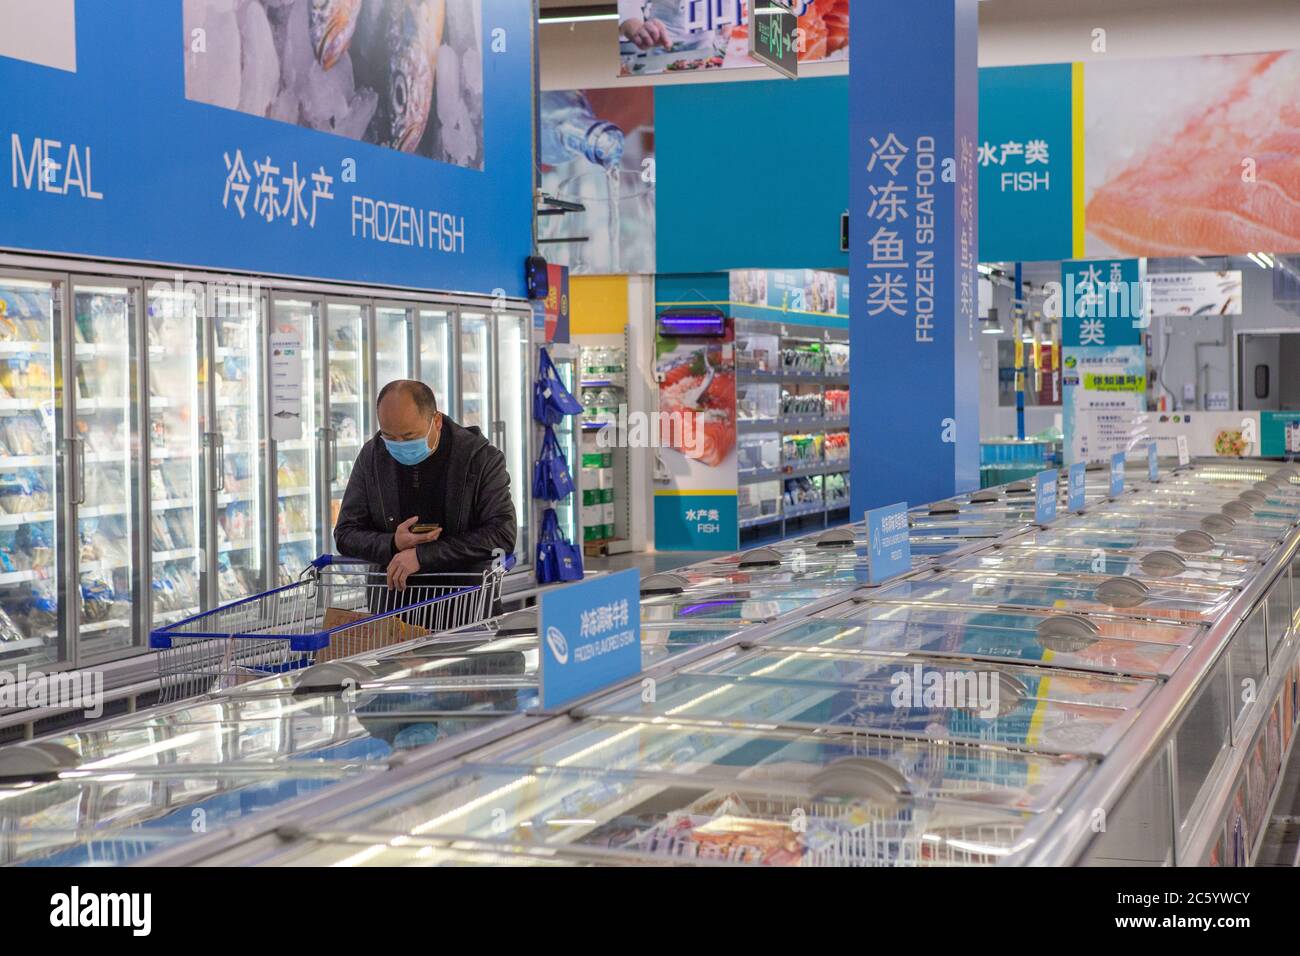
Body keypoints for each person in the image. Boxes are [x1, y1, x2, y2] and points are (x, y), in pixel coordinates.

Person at [334, 380, 516, 594]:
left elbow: (502, 534)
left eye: (409, 436)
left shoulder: (480, 459)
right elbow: (345, 534)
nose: (399, 444)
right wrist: (393, 543)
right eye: (390, 437)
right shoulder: (372, 456)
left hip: (466, 603)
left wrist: (423, 556)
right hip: (393, 605)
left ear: (436, 421)